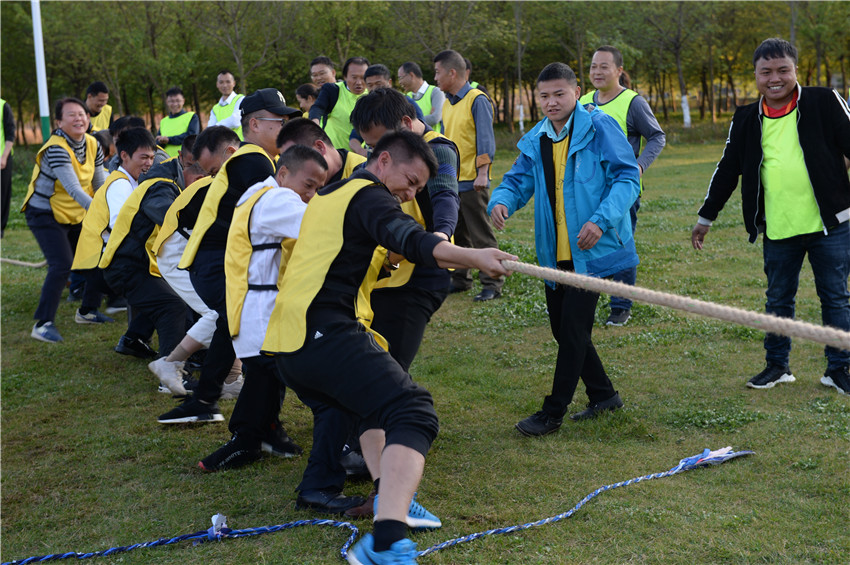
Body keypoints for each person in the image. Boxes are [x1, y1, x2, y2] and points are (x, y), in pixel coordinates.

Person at [261, 130, 515, 564]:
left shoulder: (332, 196)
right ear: (381, 161)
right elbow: (412, 239)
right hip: (318, 333)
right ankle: (386, 542)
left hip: (291, 341)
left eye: (419, 188)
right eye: (409, 180)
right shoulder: (369, 196)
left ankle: (387, 498)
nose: (410, 192)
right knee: (413, 410)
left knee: (373, 409)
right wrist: (477, 256)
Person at [691, 38, 850, 396]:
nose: (775, 78)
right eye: (766, 72)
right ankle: (778, 366)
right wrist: (706, 217)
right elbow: (728, 169)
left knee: (836, 298)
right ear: (756, 75)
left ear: (796, 70)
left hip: (832, 226)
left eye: (783, 70)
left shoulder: (824, 101)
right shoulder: (746, 118)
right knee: (778, 300)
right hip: (778, 229)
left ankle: (839, 368)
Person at [489, 62, 640, 436]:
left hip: (595, 251)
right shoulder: (538, 137)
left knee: (572, 331)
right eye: (544, 96)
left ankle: (552, 412)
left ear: (576, 92)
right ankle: (604, 395)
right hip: (554, 254)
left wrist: (600, 219)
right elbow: (518, 179)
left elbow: (627, 177)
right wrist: (502, 200)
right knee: (564, 329)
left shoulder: (600, 126)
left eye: (560, 93)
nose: (552, 102)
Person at [344, 87, 460, 520]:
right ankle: (366, 441)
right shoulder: (379, 163)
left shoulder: (438, 150)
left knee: (389, 364)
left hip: (423, 272)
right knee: (374, 354)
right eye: (372, 146)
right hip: (386, 274)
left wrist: (443, 238)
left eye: (381, 140)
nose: (379, 153)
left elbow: (447, 197)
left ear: (406, 123)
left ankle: (382, 454)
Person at [160, 89, 300, 425]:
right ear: (254, 123)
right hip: (216, 261)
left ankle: (207, 402)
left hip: (212, 261)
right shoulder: (254, 161)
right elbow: (272, 212)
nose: (285, 127)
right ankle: (258, 420)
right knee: (251, 331)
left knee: (231, 326)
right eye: (278, 121)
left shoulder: (253, 160)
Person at [199, 146, 327, 473]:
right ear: (283, 173)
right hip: (262, 304)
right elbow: (321, 229)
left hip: (253, 300)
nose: (311, 195)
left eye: (317, 188)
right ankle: (246, 438)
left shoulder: (258, 194)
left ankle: (265, 431)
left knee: (267, 372)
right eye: (308, 186)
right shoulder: (279, 200)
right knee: (272, 370)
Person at [580, 46, 666, 326]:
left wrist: (638, 167)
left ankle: (620, 305)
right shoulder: (581, 101)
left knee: (620, 246)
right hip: (587, 190)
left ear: (618, 70)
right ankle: (582, 299)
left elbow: (656, 137)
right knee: (586, 243)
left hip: (621, 191)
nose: (597, 72)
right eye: (593, 66)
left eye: (604, 66)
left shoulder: (632, 102)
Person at [22, 98, 107, 342]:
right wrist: (103, 213)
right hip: (44, 213)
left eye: (82, 113)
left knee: (96, 256)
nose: (79, 118)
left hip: (75, 213)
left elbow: (99, 184)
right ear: (58, 122)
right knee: (61, 264)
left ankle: (88, 311)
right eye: (71, 115)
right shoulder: (56, 148)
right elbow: (73, 189)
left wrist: (110, 208)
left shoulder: (93, 144)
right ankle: (43, 323)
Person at [434, 49, 503, 302]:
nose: (435, 78)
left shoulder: (477, 99)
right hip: (451, 179)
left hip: (473, 180)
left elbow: (485, 138)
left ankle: (492, 283)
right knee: (458, 233)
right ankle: (460, 278)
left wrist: (482, 173)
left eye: (438, 72)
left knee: (480, 233)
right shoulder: (447, 103)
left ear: (453, 73)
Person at [70, 127, 157, 326]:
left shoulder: (129, 180)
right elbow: (121, 225)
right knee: (158, 291)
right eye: (144, 157)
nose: (149, 163)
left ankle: (129, 332)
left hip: (98, 256)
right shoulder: (120, 185)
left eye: (152, 157)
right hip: (99, 261)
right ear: (124, 155)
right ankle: (134, 335)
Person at [309, 56, 369, 149]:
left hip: (362, 156)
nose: (359, 82)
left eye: (363, 78)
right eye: (354, 77)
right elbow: (318, 108)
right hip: (335, 154)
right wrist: (314, 124)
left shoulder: (372, 94)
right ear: (345, 76)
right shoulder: (333, 90)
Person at [398, 61, 445, 133]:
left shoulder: (435, 92)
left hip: (432, 142)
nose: (400, 82)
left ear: (411, 75)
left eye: (401, 78)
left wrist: (409, 121)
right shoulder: (407, 97)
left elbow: (435, 118)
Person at [156, 87, 200, 158]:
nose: (175, 104)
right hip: (165, 161)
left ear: (183, 101)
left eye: (178, 100)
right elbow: (158, 145)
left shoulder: (192, 116)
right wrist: (160, 141)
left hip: (185, 161)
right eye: (171, 101)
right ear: (167, 102)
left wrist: (169, 140)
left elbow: (192, 137)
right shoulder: (163, 121)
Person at [208, 70, 245, 139]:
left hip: (239, 146)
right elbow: (209, 130)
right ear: (217, 84)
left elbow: (235, 122)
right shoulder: (215, 108)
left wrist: (215, 127)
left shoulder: (240, 99)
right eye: (221, 82)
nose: (224, 85)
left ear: (234, 83)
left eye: (228, 82)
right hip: (221, 148)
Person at [1, 96, 15, 237]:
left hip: (2, 158)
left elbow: (10, 134)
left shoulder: (3, 106)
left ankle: (0, 227)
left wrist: (4, 157)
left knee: (2, 193)